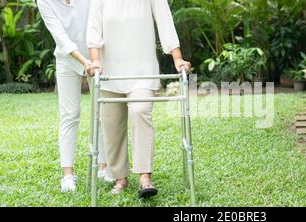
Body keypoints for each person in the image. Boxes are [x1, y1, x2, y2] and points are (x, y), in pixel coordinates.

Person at [87, 0, 191, 197]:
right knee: (112, 125)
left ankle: (145, 176)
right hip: (110, 71)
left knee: (140, 110)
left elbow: (165, 22)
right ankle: (120, 178)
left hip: (143, 72)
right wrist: (95, 61)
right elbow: (93, 30)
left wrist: (177, 58)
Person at [37, 0, 112, 193]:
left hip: (97, 57)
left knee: (102, 111)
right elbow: (61, 38)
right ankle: (68, 174)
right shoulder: (44, 1)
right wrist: (84, 61)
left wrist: (94, 60)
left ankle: (103, 167)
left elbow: (100, 20)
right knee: (69, 115)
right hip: (67, 59)